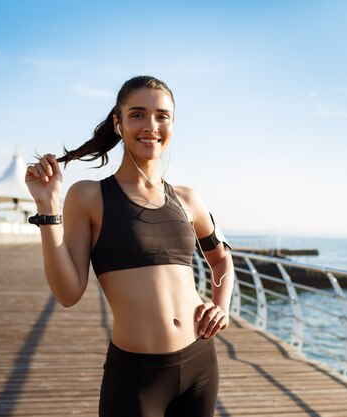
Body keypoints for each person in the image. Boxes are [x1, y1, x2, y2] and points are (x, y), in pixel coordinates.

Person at [24, 75, 234, 417]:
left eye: (161, 115)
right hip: (136, 376)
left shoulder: (187, 199)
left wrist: (221, 307)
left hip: (200, 363)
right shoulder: (89, 196)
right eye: (137, 114)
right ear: (118, 124)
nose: (151, 125)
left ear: (172, 125)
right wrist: (48, 210)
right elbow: (68, 293)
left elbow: (222, 260)